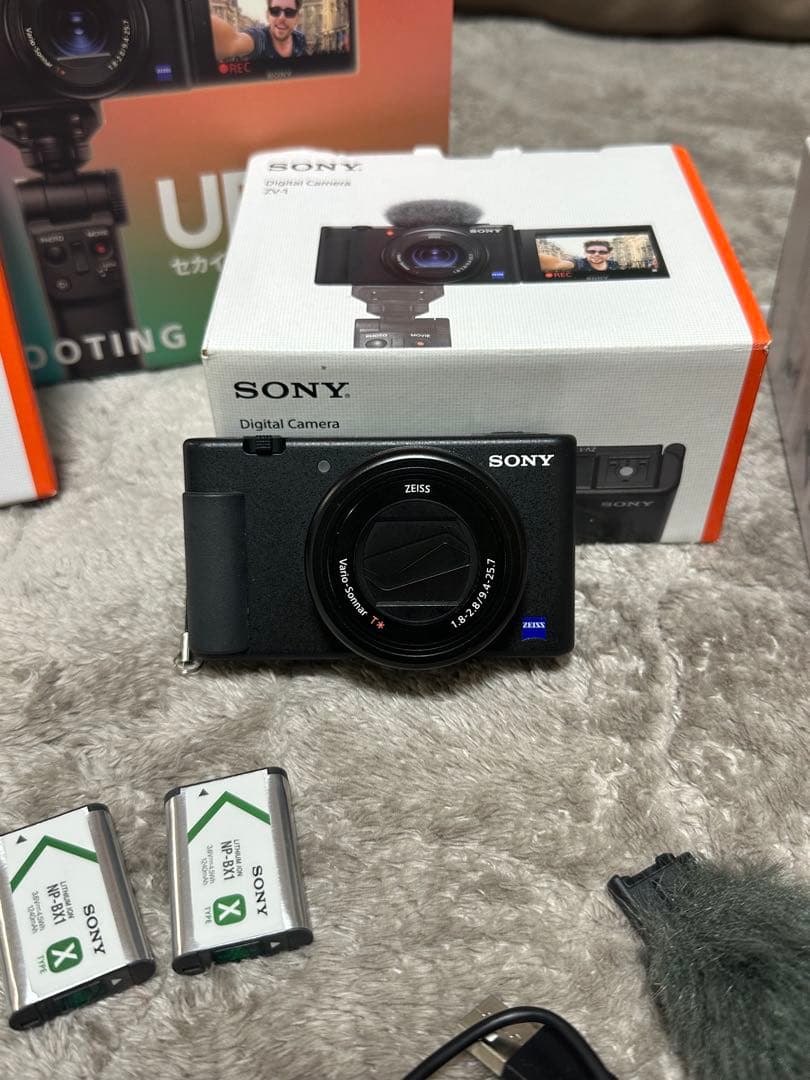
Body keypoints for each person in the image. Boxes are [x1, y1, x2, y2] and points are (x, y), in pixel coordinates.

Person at [211, 2, 307, 63]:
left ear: (297, 18)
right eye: (275, 11)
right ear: (267, 15)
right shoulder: (260, 38)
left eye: (289, 12)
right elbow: (233, 42)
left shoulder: (300, 38)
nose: (281, 18)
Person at [539, 240, 618, 273]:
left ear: (608, 254)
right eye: (591, 251)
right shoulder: (579, 263)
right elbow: (558, 264)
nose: (596, 254)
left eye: (602, 252)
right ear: (585, 253)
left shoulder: (614, 264)